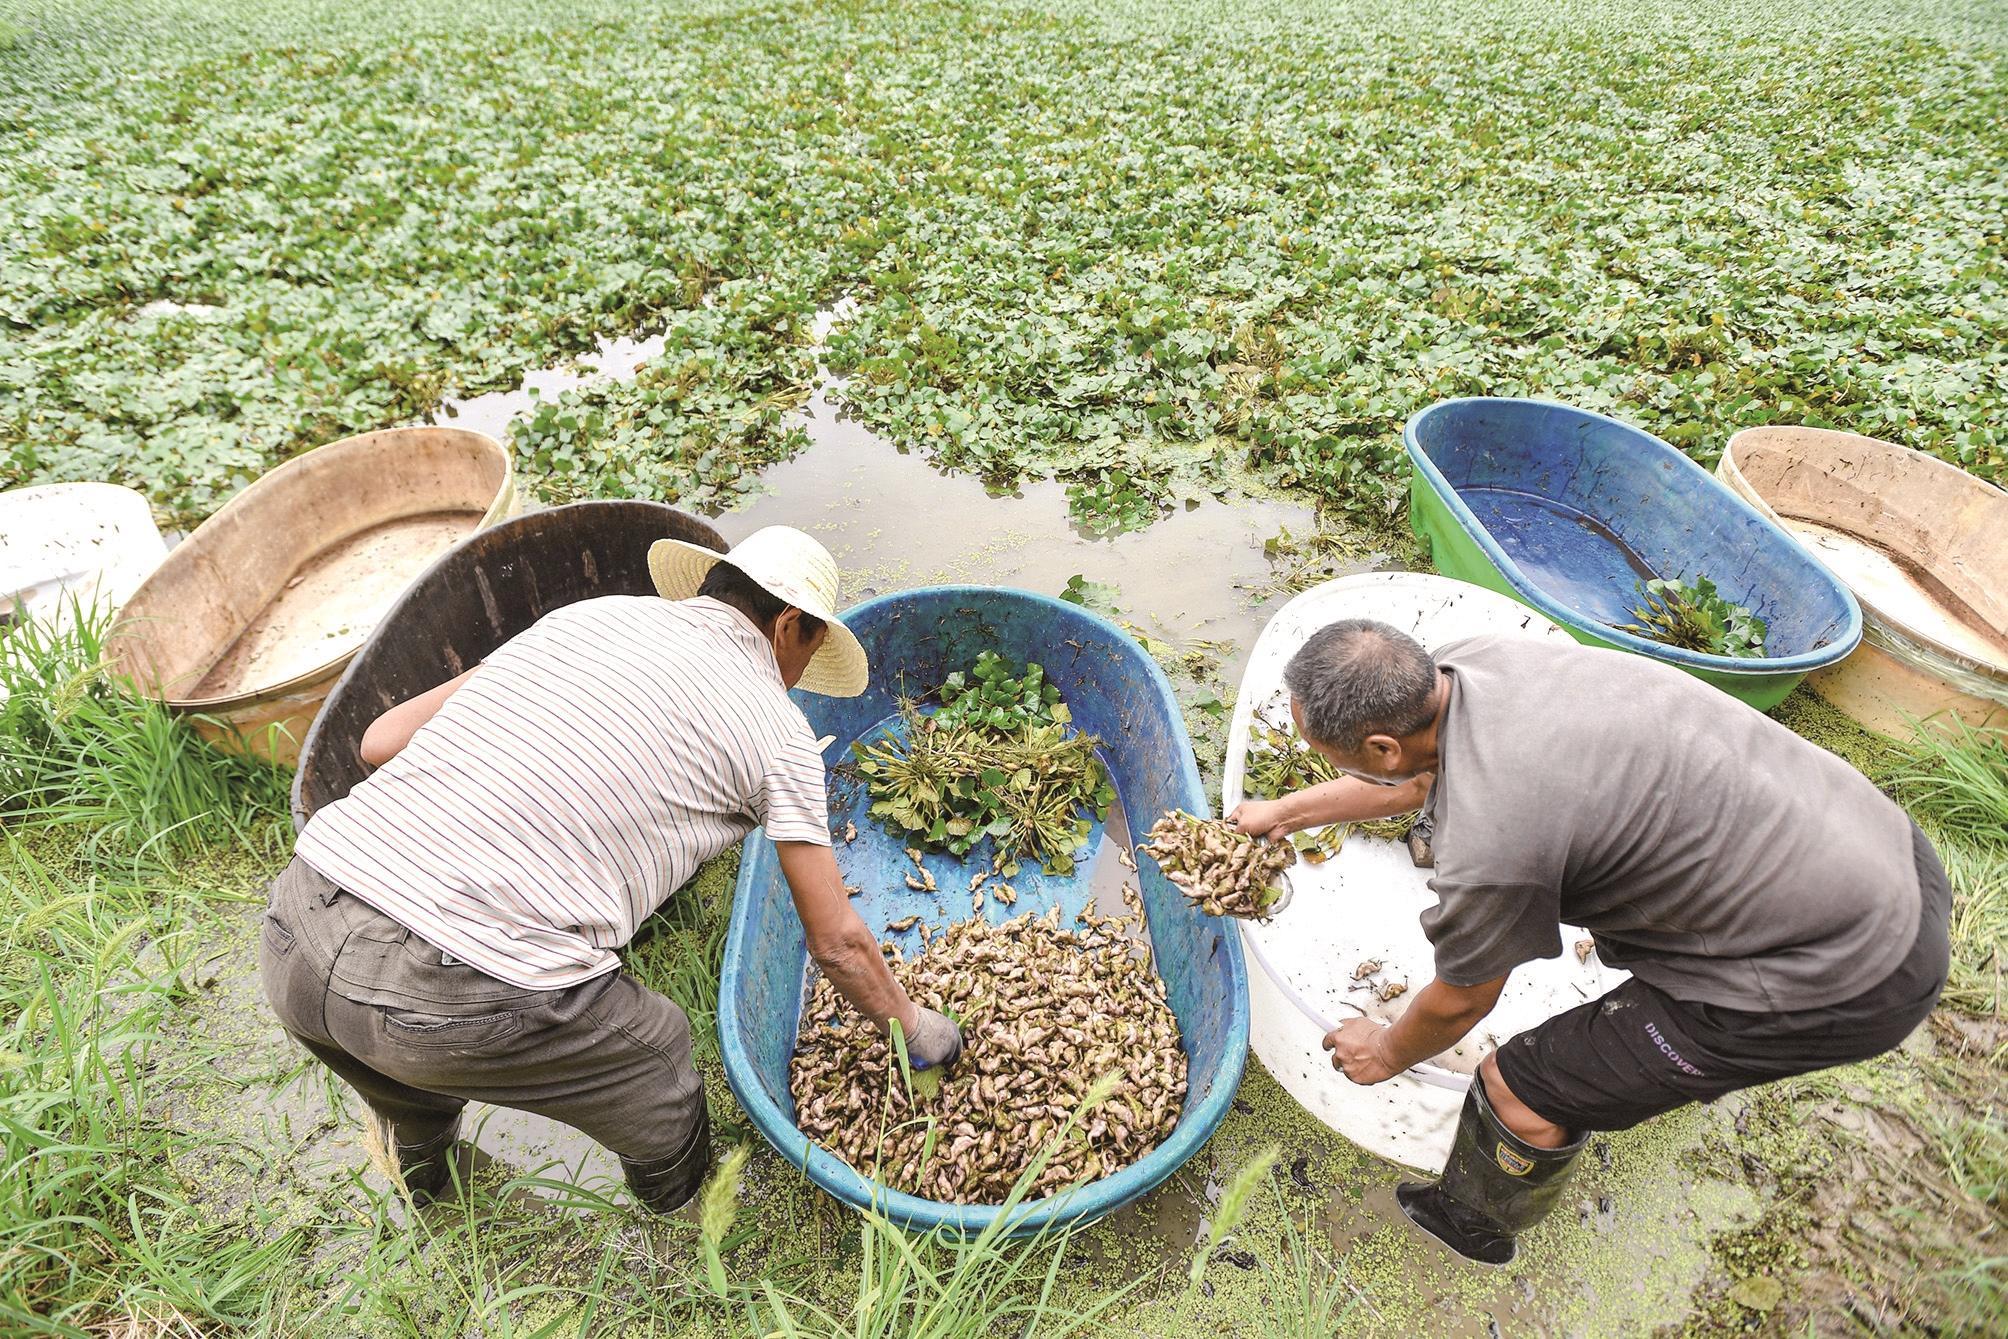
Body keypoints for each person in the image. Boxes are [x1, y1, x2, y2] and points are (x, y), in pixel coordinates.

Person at [261, 525, 962, 1213]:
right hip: (449, 990)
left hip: (298, 920)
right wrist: (913, 1025)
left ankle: (427, 1185)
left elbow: (379, 742)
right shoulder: (779, 733)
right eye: (811, 649)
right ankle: (685, 1220)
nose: (802, 672)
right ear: (788, 626)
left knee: (404, 1083)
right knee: (656, 1051)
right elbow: (836, 942)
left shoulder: (584, 618)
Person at [1230, 619, 1948, 1266]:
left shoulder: (1492, 843)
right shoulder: (1472, 662)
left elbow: (1460, 1003)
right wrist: (1286, 812)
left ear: (1381, 740)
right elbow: (1416, 777)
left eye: (1327, 752)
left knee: (1521, 1086)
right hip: (1883, 849)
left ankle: (1475, 1224)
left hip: (1848, 973)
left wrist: (1385, 1049)